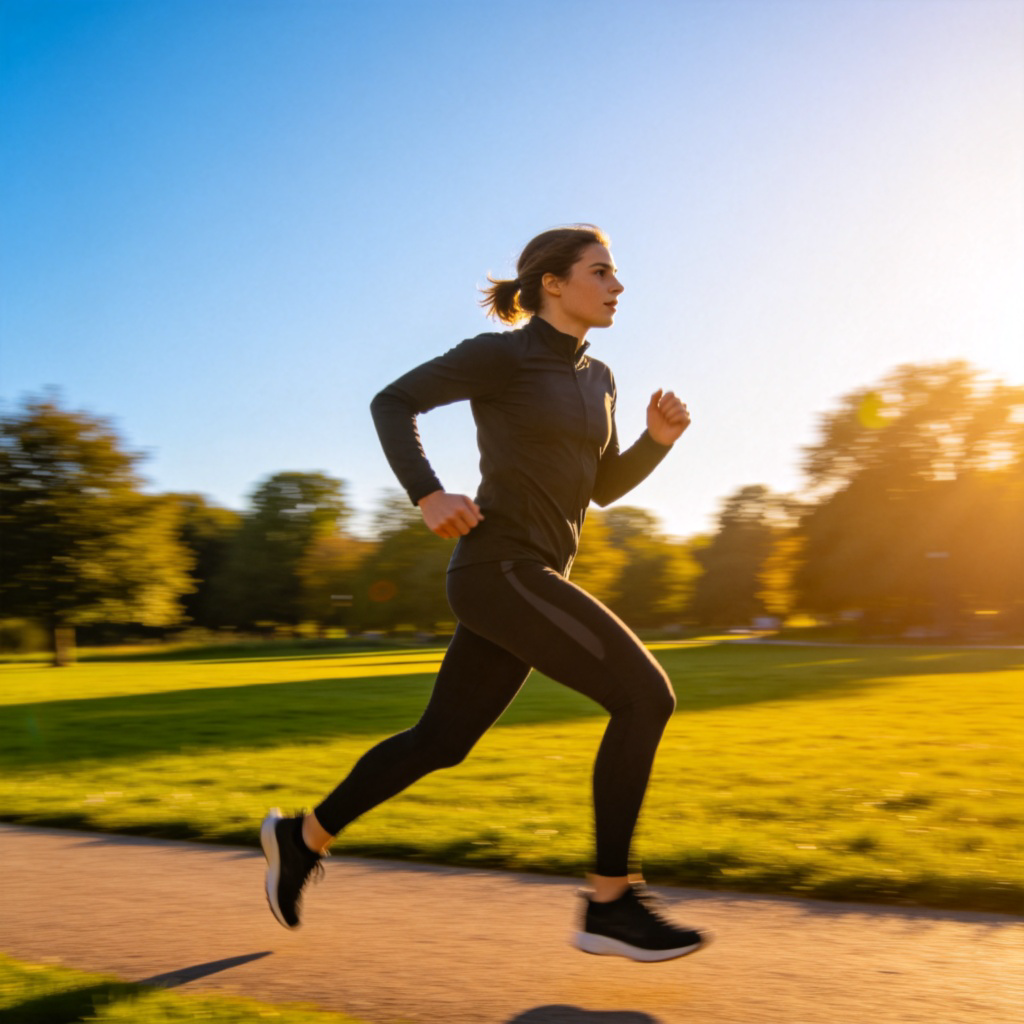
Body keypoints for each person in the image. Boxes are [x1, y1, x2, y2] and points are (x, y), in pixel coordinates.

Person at [261, 224, 706, 962]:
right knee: (645, 696)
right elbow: (391, 402)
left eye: (615, 275)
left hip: (533, 577)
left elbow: (598, 490)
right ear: (553, 285)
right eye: (601, 272)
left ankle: (299, 838)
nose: (617, 287)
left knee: (442, 742)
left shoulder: (600, 378)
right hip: (498, 569)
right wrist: (428, 495)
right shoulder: (501, 356)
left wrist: (655, 443)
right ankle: (610, 902)